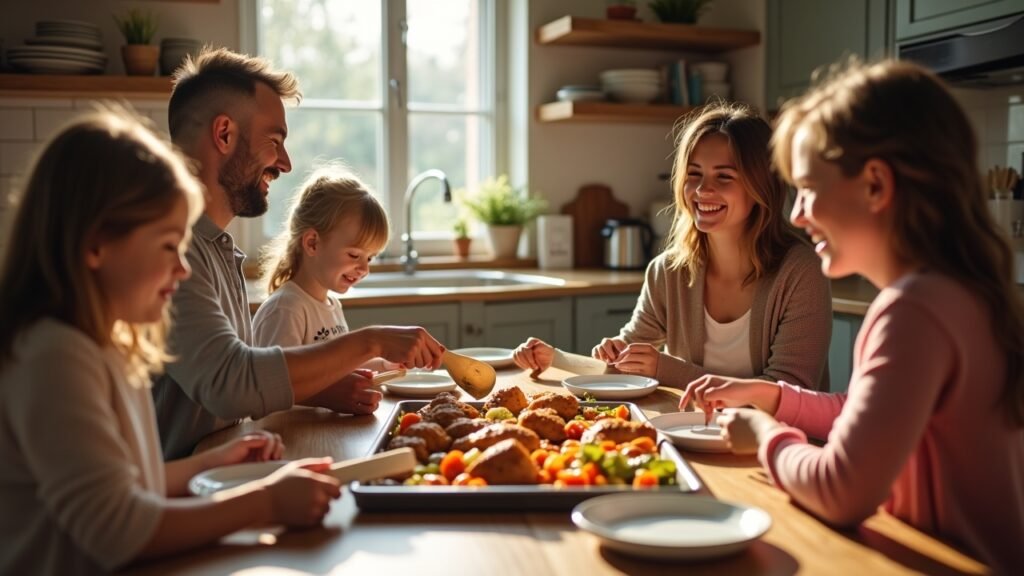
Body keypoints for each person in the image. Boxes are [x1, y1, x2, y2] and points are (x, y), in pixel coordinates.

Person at [682, 60, 1024, 572]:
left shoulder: (916, 310)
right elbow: (867, 412)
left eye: (809, 188)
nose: (796, 213)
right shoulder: (957, 291)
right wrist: (773, 397)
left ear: (875, 186)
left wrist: (766, 435)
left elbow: (840, 490)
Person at [0, 111, 343, 575]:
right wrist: (264, 503)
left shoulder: (107, 345)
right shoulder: (54, 356)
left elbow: (131, 483)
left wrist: (215, 464)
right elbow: (117, 529)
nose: (182, 270)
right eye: (168, 246)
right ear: (96, 245)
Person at [154, 47, 445, 459]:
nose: (286, 163)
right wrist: (372, 341)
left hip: (215, 470)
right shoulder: (169, 251)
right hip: (179, 495)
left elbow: (245, 377)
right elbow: (230, 383)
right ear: (224, 135)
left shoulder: (216, 251)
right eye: (275, 141)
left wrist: (330, 384)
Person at [514, 102, 832, 392]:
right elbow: (623, 365)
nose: (703, 190)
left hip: (777, 448)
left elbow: (789, 393)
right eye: (694, 174)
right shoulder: (668, 271)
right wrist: (554, 358)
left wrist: (666, 369)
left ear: (761, 186)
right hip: (688, 435)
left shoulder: (801, 273)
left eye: (724, 177)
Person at [252, 164, 397, 373]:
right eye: (354, 255)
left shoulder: (332, 306)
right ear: (312, 243)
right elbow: (278, 383)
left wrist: (383, 365)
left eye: (370, 258)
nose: (364, 269)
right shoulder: (285, 309)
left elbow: (338, 366)